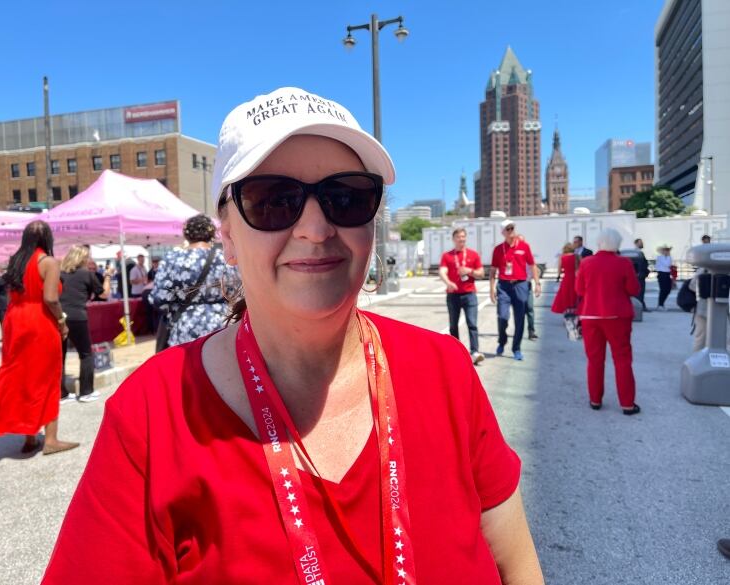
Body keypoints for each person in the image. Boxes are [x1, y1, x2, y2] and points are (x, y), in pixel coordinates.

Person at [43, 86, 543, 584]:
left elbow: (516, 563)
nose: (316, 226)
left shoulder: (443, 370)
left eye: (346, 197)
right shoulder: (151, 415)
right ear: (229, 236)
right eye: (274, 200)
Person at [0, 220, 79, 455]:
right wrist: (61, 321)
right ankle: (51, 440)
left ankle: (29, 437)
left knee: (24, 376)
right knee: (47, 377)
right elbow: (50, 298)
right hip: (40, 321)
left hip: (16, 321)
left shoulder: (15, 261)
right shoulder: (48, 262)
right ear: (48, 239)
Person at [575, 228, 641, 415]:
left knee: (595, 360)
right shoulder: (624, 263)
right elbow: (633, 289)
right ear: (617, 244)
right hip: (617, 316)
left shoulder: (587, 263)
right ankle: (627, 403)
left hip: (590, 316)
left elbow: (579, 290)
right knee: (622, 360)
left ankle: (595, 399)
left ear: (598, 243)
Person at [150, 214, 236, 348]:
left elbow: (158, 299)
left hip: (185, 326)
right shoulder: (224, 258)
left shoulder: (172, 258)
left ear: (186, 234)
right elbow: (236, 292)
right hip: (222, 325)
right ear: (212, 234)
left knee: (187, 367)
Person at [59, 245, 111, 403]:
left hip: (59, 316)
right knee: (86, 354)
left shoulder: (60, 274)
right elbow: (104, 294)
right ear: (82, 258)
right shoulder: (86, 274)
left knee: (60, 356)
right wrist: (108, 276)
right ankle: (86, 391)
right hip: (77, 316)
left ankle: (62, 394)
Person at [489, 219, 541, 361]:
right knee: (502, 317)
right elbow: (493, 270)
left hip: (521, 285)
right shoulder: (498, 249)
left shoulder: (524, 246)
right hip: (504, 286)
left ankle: (516, 348)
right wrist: (491, 288)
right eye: (508, 228)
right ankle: (502, 340)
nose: (511, 230)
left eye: (512, 227)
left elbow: (532, 265)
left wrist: (537, 283)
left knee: (520, 319)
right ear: (503, 232)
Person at [438, 227, 485, 365]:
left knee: (472, 324)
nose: (461, 239)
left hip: (470, 294)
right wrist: (448, 283)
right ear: (454, 239)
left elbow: (481, 273)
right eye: (459, 237)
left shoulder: (473, 254)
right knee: (453, 325)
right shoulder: (447, 256)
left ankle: (475, 352)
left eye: (463, 237)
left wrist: (469, 271)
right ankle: (456, 352)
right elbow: (442, 271)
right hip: (453, 295)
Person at [551, 243, 579, 316]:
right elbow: (578, 268)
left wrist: (558, 276)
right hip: (575, 278)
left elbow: (559, 269)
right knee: (574, 294)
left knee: (565, 294)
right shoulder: (576, 256)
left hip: (566, 278)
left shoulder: (562, 257)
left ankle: (567, 311)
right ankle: (575, 311)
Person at [655, 244, 674, 311]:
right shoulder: (659, 257)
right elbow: (667, 264)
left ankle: (662, 304)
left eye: (668, 250)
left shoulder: (669, 257)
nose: (667, 251)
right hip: (661, 274)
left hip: (667, 274)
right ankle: (660, 304)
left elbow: (669, 264)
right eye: (666, 250)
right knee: (663, 290)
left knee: (668, 289)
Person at [633, 238, 650, 311]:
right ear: (636, 243)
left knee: (641, 292)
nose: (642, 244)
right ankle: (641, 307)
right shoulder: (636, 253)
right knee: (639, 292)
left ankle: (642, 306)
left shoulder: (639, 253)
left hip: (641, 276)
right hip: (639, 276)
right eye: (640, 242)